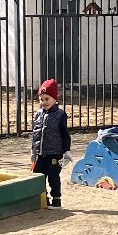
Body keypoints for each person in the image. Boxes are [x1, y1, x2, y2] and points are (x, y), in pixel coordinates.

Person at [31, 78, 71, 208]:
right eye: (41, 99)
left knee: (53, 177)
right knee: (38, 177)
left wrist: (67, 151)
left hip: (54, 153)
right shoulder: (38, 114)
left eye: (47, 99)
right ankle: (44, 199)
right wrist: (33, 151)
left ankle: (56, 200)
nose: (44, 102)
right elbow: (35, 133)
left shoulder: (60, 115)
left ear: (54, 99)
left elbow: (65, 134)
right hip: (40, 153)